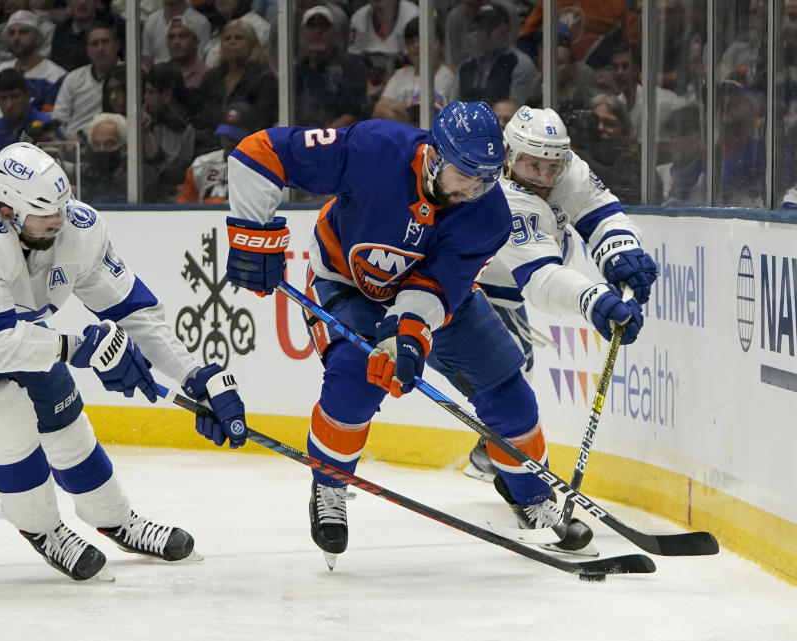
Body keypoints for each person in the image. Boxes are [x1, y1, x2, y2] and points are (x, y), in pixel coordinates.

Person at [220, 101, 595, 568]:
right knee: (355, 379)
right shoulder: (374, 148)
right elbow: (259, 152)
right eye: (464, 175)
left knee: (506, 387)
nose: (473, 189)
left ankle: (533, 497)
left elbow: (437, 286)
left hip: (434, 300)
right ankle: (330, 485)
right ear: (435, 157)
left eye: (485, 178)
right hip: (345, 282)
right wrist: (253, 234)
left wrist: (408, 336)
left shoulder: (488, 213)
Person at [0, 142, 248, 581]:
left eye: (62, 207)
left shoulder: (77, 228)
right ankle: (44, 529)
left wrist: (195, 373)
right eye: (43, 212)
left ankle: (115, 517)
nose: (59, 220)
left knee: (61, 406)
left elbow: (134, 311)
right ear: (6, 209)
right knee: (3, 412)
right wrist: (77, 348)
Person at [462, 105, 657, 483]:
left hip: (506, 286)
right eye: (533, 166)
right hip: (467, 282)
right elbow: (541, 278)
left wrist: (622, 252)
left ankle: (493, 451)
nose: (544, 177)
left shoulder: (567, 167)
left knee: (519, 367)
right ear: (509, 156)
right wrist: (593, 299)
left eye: (552, 166)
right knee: (510, 369)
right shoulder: (502, 194)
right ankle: (509, 463)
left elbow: (600, 213)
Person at [193, 19, 278, 139]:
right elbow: (201, 114)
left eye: (238, 38)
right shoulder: (211, 77)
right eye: (227, 38)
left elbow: (262, 119)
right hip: (210, 142)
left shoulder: (264, 77)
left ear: (252, 44)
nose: (232, 42)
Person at [0, 10, 67, 119]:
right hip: (0, 134)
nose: (16, 38)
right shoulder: (0, 71)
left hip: (35, 135)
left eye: (23, 32)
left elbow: (48, 123)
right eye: (11, 33)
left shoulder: (57, 76)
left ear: (38, 37)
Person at [372, 17, 457, 124]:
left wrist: (393, 106)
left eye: (423, 40)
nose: (417, 46)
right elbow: (379, 111)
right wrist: (413, 115)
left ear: (440, 45)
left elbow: (429, 117)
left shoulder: (447, 76)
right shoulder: (400, 74)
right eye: (411, 42)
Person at [457, 2, 541, 106]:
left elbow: (517, 112)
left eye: (494, 26)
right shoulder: (465, 68)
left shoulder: (521, 65)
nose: (487, 34)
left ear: (507, 29)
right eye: (482, 27)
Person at [52, 22, 122, 141]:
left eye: (105, 42)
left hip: (114, 141)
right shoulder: (73, 78)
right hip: (73, 146)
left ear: (117, 45)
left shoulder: (132, 74)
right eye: (95, 44)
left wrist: (84, 135)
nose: (100, 48)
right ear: (87, 49)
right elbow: (59, 120)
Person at [177, 101, 256, 203]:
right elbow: (184, 207)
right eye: (226, 136)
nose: (231, 142)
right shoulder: (201, 165)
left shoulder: (267, 169)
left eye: (237, 137)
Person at [0, 68, 55, 164]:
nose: (9, 105)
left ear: (28, 96)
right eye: (3, 98)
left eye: (15, 96)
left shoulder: (46, 125)